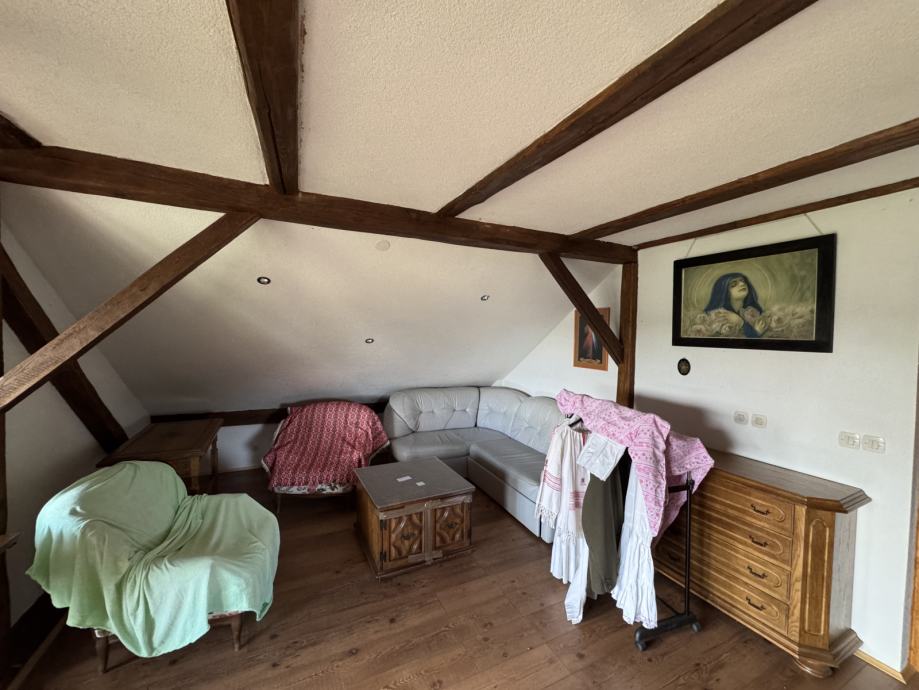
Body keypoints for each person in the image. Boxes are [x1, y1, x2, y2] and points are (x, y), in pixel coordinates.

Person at [703, 272, 768, 337]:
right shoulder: (719, 315)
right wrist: (741, 323)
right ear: (723, 291)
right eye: (733, 284)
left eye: (743, 281)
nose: (742, 284)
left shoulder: (751, 312)